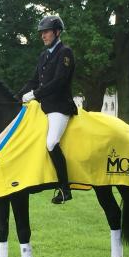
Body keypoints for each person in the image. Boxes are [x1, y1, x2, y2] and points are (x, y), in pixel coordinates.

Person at [17, 15, 77, 204]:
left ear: (57, 32)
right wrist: (16, 97)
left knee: (51, 143)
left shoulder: (65, 52)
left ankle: (65, 188)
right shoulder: (44, 55)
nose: (43, 36)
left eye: (47, 32)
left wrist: (34, 94)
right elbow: (33, 80)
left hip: (60, 106)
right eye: (42, 33)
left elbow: (59, 82)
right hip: (44, 106)